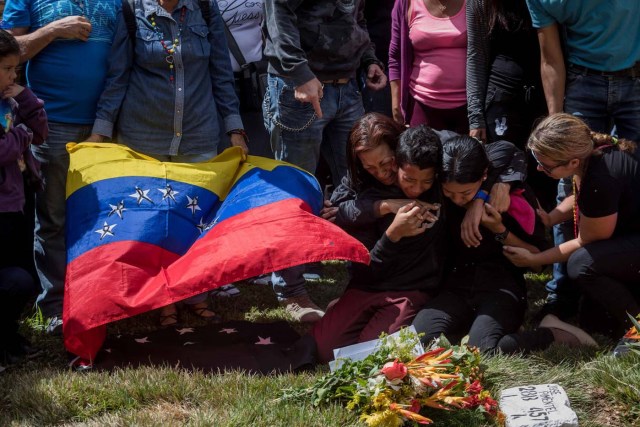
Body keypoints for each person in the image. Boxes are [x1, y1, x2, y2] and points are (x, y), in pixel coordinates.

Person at [87, 0, 247, 326]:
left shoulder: (204, 7)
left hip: (198, 133)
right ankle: (163, 300)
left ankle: (195, 293)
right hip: (144, 134)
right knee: (155, 221)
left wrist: (235, 129)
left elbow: (221, 71)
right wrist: (99, 134)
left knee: (194, 219)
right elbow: (118, 75)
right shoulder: (131, 10)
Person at [261, 0, 387, 322]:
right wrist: (300, 73)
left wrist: (369, 59)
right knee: (295, 191)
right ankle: (290, 289)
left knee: (361, 182)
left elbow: (356, 16)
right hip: (298, 87)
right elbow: (279, 20)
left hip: (347, 86)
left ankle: (364, 280)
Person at [412, 135, 596, 353]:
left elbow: (537, 263)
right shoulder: (440, 196)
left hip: (501, 287)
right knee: (415, 344)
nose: (458, 200)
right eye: (449, 193)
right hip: (456, 287)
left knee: (481, 353)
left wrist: (500, 230)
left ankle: (550, 333)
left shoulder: (512, 197)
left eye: (465, 193)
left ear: (484, 176)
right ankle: (476, 330)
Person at [2, 0, 119, 335]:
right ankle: (55, 304)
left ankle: (98, 296)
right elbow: (10, 51)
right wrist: (53, 31)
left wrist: (105, 122)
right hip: (50, 123)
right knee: (53, 219)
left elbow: (123, 60)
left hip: (107, 122)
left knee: (105, 217)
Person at [526, 0, 640, 320]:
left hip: (635, 78)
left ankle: (615, 277)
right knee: (569, 189)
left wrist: (534, 260)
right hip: (582, 79)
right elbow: (550, 57)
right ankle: (563, 294)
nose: (540, 168)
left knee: (623, 178)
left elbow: (591, 237)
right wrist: (555, 128)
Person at [312, 119, 445, 363]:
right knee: (324, 350)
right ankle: (346, 307)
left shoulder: (423, 158)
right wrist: (383, 209)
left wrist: (483, 195)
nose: (383, 173)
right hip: (368, 281)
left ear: (400, 148)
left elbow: (483, 152)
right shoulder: (361, 185)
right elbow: (337, 210)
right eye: (371, 167)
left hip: (410, 286)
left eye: (387, 163)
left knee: (369, 355)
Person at [504, 114, 640, 341]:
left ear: (572, 162)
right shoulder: (596, 153)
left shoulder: (602, 177)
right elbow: (582, 197)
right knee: (593, 320)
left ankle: (636, 328)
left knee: (582, 264)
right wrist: (550, 218)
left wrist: (534, 260)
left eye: (546, 167)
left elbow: (587, 240)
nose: (539, 169)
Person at [466, 0, 554, 209]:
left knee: (546, 177)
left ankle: (544, 238)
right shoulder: (480, 3)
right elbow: (476, 55)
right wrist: (475, 116)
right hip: (502, 100)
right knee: (502, 181)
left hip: (546, 98)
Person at [0, 29, 47, 364]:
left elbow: (41, 132)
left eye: (15, 69)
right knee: (10, 279)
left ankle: (9, 336)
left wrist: (26, 97)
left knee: (20, 277)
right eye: (6, 69)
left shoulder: (11, 99)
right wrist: (22, 134)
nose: (12, 75)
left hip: (17, 202)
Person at [389, 0, 468, 133]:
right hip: (422, 105)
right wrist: (396, 106)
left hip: (468, 108)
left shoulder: (475, 4)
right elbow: (395, 57)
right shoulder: (406, 3)